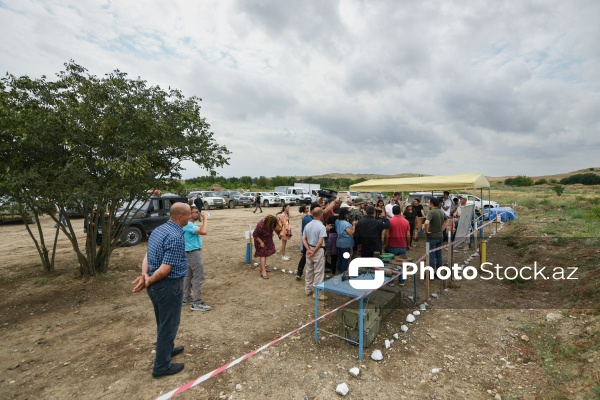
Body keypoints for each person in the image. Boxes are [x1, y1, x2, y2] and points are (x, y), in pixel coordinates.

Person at [131, 202, 191, 378]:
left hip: (158, 287)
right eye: (189, 214)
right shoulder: (175, 236)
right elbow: (165, 268)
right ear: (180, 216)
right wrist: (148, 280)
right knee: (169, 325)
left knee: (163, 322)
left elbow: (147, 255)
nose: (191, 217)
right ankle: (162, 366)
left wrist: (145, 274)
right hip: (168, 286)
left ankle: (167, 350)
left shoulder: (159, 230)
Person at [182, 206, 211, 312]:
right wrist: (205, 218)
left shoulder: (187, 225)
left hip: (188, 253)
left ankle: (187, 298)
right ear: (190, 214)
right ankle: (197, 303)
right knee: (199, 277)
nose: (199, 213)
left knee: (188, 276)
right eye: (196, 212)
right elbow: (203, 231)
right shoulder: (188, 225)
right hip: (193, 253)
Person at [302, 208, 328, 299]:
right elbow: (320, 242)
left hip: (309, 248)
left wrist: (308, 249)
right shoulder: (321, 227)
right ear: (320, 214)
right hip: (318, 250)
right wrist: (313, 251)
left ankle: (308, 289)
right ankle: (317, 293)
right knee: (319, 272)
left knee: (309, 270)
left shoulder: (308, 225)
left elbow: (303, 238)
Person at [423, 198, 449, 274]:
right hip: (440, 236)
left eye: (428, 203)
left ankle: (430, 274)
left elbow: (426, 223)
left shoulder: (431, 212)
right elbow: (447, 221)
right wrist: (441, 229)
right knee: (439, 255)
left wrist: (426, 232)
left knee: (431, 255)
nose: (428, 205)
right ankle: (438, 272)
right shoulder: (441, 211)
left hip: (432, 237)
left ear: (432, 204)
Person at [253, 214, 280, 279]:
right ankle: (263, 271)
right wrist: (261, 242)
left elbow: (272, 228)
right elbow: (255, 235)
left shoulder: (269, 223)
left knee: (266, 253)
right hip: (260, 240)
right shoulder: (260, 225)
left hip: (267, 240)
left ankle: (262, 268)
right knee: (263, 255)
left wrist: (271, 232)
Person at [335, 207, 357, 274]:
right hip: (346, 244)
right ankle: (343, 274)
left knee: (340, 258)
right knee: (345, 259)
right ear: (345, 215)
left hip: (339, 242)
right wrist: (354, 225)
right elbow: (351, 233)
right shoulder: (345, 223)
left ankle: (338, 272)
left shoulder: (337, 221)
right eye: (347, 214)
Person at [296, 204, 313, 280]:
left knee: (304, 256)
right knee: (308, 256)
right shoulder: (306, 217)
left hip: (305, 237)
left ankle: (299, 272)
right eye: (306, 208)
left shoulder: (306, 216)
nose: (308, 208)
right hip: (308, 239)